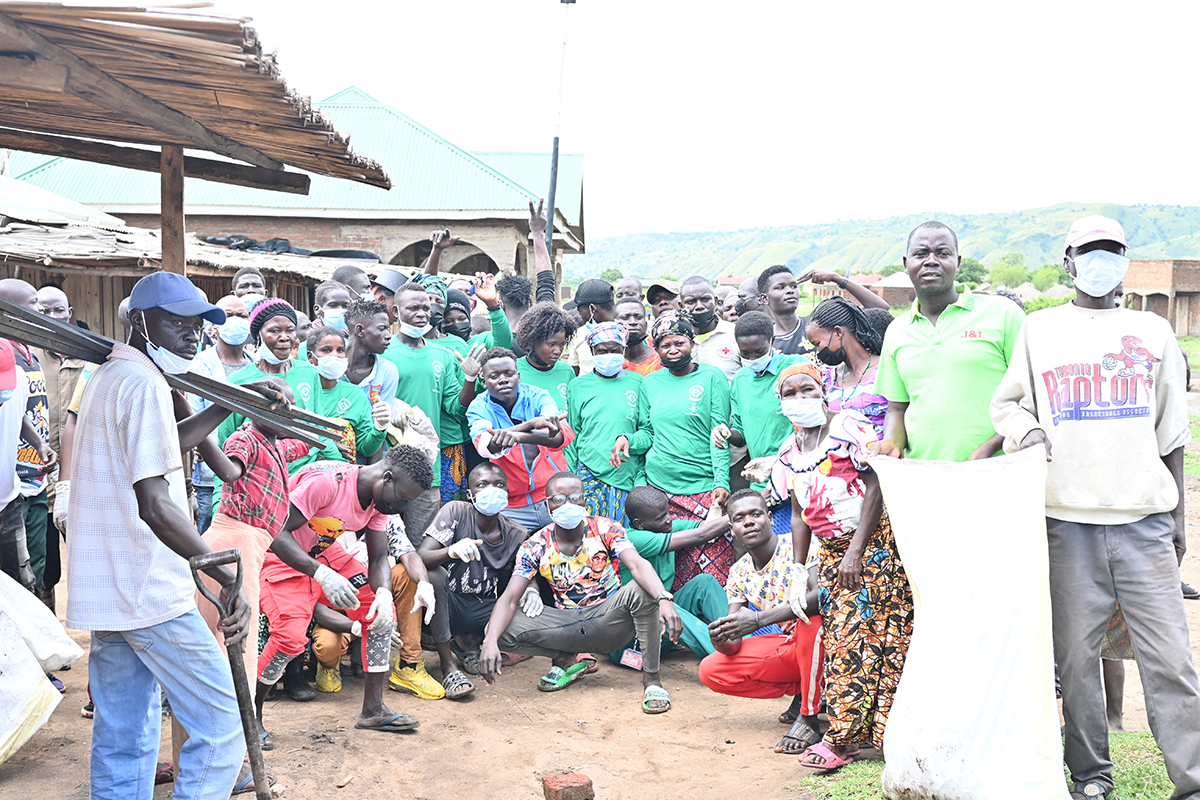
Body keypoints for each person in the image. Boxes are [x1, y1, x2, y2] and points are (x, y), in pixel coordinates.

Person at [991, 214, 1200, 799]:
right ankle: (1090, 778)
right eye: (1089, 251)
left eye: (1112, 251)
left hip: (1142, 520)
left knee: (1170, 663)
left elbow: (1173, 431)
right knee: (1077, 663)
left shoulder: (1153, 331)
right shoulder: (1039, 330)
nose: (1101, 260)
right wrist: (1028, 430)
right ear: (1068, 262)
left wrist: (1178, 516)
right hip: (1065, 522)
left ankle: (1194, 782)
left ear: (1126, 261)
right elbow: (1007, 406)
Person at [66, 271, 280, 799]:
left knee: (124, 731)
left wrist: (225, 403)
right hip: (148, 586)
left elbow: (161, 446)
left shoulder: (117, 374)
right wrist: (218, 565)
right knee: (222, 720)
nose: (191, 334)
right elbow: (156, 502)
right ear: (140, 320)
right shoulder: (142, 384)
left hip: (111, 586)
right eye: (176, 322)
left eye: (198, 324)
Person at [778, 360, 913, 772]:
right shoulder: (789, 452)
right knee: (846, 639)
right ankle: (861, 735)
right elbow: (799, 512)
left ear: (823, 390)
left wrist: (856, 550)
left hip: (875, 544)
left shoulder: (848, 427)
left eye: (808, 390)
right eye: (790, 393)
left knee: (877, 638)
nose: (800, 399)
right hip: (835, 553)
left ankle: (848, 739)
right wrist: (799, 570)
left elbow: (876, 482)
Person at [254, 447, 438, 743]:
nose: (401, 507)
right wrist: (321, 575)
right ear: (386, 477)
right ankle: (251, 714)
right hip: (278, 556)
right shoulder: (326, 483)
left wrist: (381, 594)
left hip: (322, 552)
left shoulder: (379, 502)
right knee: (289, 638)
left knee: (380, 614)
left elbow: (379, 558)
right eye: (402, 498)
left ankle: (373, 710)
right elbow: (275, 532)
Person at [479, 471, 682, 713]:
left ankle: (652, 680)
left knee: (642, 589)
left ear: (585, 501)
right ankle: (565, 656)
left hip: (610, 618)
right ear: (547, 505)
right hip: (566, 624)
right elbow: (510, 598)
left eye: (575, 498)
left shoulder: (606, 528)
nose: (567, 505)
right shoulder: (534, 545)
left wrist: (664, 598)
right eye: (558, 499)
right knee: (495, 630)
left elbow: (637, 564)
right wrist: (489, 642)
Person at [873, 221, 1025, 462]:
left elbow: (1030, 396)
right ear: (906, 264)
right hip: (923, 474)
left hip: (997, 468)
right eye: (920, 253)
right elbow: (897, 409)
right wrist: (891, 443)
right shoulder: (896, 331)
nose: (931, 260)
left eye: (943, 253)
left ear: (958, 262)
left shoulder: (1004, 314)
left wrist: (991, 447)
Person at [698, 489, 824, 754]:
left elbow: (821, 600)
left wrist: (759, 619)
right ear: (731, 528)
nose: (749, 521)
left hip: (828, 643)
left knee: (811, 623)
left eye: (756, 514)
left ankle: (809, 718)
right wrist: (721, 638)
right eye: (740, 518)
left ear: (769, 517)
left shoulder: (800, 543)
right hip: (793, 647)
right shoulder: (739, 571)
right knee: (712, 669)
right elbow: (733, 642)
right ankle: (805, 690)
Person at [612, 312, 732, 587]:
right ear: (656, 349)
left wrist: (721, 481)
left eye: (679, 343)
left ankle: (714, 629)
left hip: (703, 490)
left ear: (692, 343)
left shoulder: (711, 377)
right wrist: (628, 439)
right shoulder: (650, 382)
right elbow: (648, 433)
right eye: (665, 346)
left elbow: (719, 435)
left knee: (713, 573)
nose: (673, 350)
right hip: (662, 496)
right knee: (672, 574)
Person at [417, 463, 531, 697]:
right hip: (448, 605)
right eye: (483, 484)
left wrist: (533, 591)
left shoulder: (517, 533)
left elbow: (512, 589)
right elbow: (421, 557)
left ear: (507, 493)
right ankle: (448, 665)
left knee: (524, 609)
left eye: (499, 485)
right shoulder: (456, 511)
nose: (492, 489)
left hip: (483, 609)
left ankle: (471, 644)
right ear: (470, 494)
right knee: (434, 575)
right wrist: (451, 551)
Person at [381, 282, 466, 544]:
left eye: (425, 308)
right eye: (413, 307)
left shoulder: (443, 355)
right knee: (383, 545)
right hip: (386, 467)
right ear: (396, 312)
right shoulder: (383, 353)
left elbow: (454, 406)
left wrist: (472, 380)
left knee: (422, 545)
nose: (421, 313)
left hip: (427, 470)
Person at [712, 311, 804, 535]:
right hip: (761, 480)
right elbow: (741, 434)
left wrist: (783, 463)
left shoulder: (795, 368)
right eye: (746, 354)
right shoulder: (741, 380)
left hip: (798, 476)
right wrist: (725, 432)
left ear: (772, 341)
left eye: (759, 352)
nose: (753, 358)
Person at [614, 485, 732, 661]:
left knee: (704, 583)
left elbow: (706, 527)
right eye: (661, 518)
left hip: (660, 624)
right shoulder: (633, 539)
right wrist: (739, 513)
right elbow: (701, 535)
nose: (669, 520)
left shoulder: (665, 527)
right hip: (630, 643)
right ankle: (729, 657)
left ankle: (736, 640)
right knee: (655, 604)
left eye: (668, 513)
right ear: (640, 524)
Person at [466, 347, 573, 532]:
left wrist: (517, 436)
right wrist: (529, 424)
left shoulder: (538, 395)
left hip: (553, 496)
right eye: (494, 376)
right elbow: (485, 447)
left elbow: (558, 436)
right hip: (512, 505)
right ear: (483, 381)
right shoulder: (478, 407)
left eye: (509, 373)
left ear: (519, 376)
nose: (503, 379)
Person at [32, 285, 89, 610]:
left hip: (80, 478)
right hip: (36, 477)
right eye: (43, 311)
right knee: (45, 566)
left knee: (87, 560)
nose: (52, 317)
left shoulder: (90, 357)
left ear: (69, 314)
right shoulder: (27, 356)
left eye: (57, 310)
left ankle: (99, 631)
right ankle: (50, 634)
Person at [0, 280, 57, 606]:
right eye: (35, 303)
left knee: (26, 574)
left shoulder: (22, 360)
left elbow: (17, 410)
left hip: (16, 490)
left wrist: (38, 443)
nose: (41, 310)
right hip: (17, 480)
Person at [565, 322, 644, 526]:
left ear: (624, 350)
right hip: (587, 473)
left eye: (615, 350)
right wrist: (572, 477)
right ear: (592, 351)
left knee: (623, 541)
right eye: (602, 351)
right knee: (590, 541)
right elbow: (573, 434)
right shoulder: (578, 385)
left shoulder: (638, 382)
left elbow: (647, 431)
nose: (609, 355)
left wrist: (629, 440)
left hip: (626, 476)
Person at [188, 294, 252, 533]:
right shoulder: (200, 366)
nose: (235, 320)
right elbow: (193, 419)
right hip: (209, 471)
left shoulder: (255, 364)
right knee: (210, 534)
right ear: (213, 325)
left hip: (251, 470)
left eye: (241, 315)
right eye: (228, 315)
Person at [290, 327, 387, 463]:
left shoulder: (355, 395)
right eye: (327, 350)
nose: (335, 355)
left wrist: (379, 428)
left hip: (340, 476)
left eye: (340, 350)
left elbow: (366, 448)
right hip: (298, 471)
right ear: (311, 357)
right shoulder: (297, 389)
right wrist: (326, 444)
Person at [805, 296, 888, 433]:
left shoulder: (886, 369)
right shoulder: (827, 377)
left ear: (838, 332)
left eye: (818, 344)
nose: (818, 351)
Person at [512, 301, 577, 410]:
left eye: (562, 345)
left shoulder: (566, 371)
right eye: (551, 344)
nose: (558, 351)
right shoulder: (513, 370)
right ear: (533, 340)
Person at [343, 299, 399, 425]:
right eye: (382, 329)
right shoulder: (330, 365)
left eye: (388, 329)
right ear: (359, 330)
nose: (388, 335)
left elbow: (380, 425)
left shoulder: (387, 371)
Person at [681, 276, 743, 383]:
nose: (699, 306)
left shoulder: (736, 334)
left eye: (705, 299)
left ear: (716, 301)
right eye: (691, 302)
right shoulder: (677, 341)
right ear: (681, 305)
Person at [566, 279, 616, 377]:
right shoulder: (626, 330)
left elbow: (573, 372)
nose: (580, 315)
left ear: (592, 309)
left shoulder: (623, 333)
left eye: (580, 311)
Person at [757, 265, 810, 355]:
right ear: (764, 298)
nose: (790, 291)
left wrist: (837, 280)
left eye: (794, 286)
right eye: (780, 287)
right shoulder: (765, 342)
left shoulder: (815, 325)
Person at [617, 297, 661, 376]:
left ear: (646, 325)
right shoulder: (610, 362)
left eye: (638, 317)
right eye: (625, 317)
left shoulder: (661, 358)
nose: (633, 322)